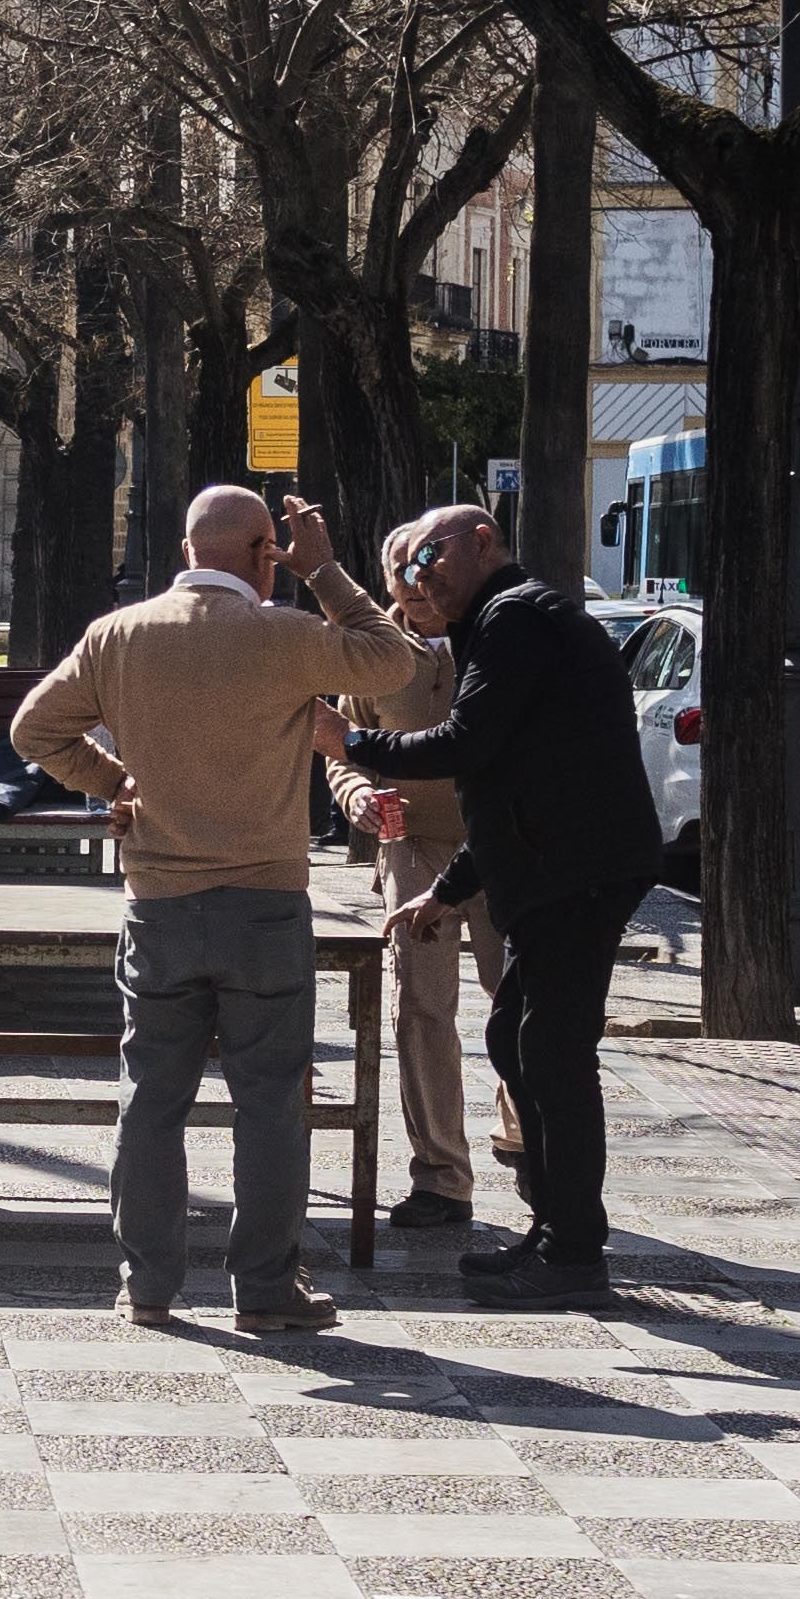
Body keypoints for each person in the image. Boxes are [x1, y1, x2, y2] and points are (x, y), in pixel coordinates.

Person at [10, 487, 417, 1333]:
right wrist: (326, 570)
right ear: (263, 551)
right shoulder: (285, 638)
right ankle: (265, 1291)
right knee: (269, 1101)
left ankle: (148, 1284)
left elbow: (34, 731)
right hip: (264, 905)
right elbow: (393, 660)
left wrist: (111, 783)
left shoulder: (118, 635)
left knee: (150, 1097)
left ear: (189, 548)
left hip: (157, 901)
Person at [311, 504, 661, 1311]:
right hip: (549, 864)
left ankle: (573, 1251)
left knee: (550, 1052)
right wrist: (447, 888)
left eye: (434, 552)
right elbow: (508, 783)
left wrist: (349, 744)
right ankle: (552, 1231)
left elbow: (466, 744)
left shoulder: (516, 618)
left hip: (578, 871)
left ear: (482, 542)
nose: (420, 571)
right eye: (407, 561)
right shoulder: (501, 622)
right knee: (517, 1037)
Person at [324, 521, 509, 1230]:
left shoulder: (491, 638)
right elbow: (342, 749)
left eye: (425, 564)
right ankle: (439, 1177)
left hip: (500, 848)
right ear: (385, 578)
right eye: (401, 568)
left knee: (514, 998)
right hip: (413, 850)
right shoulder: (373, 655)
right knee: (421, 1011)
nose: (417, 580)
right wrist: (356, 799)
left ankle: (522, 1129)